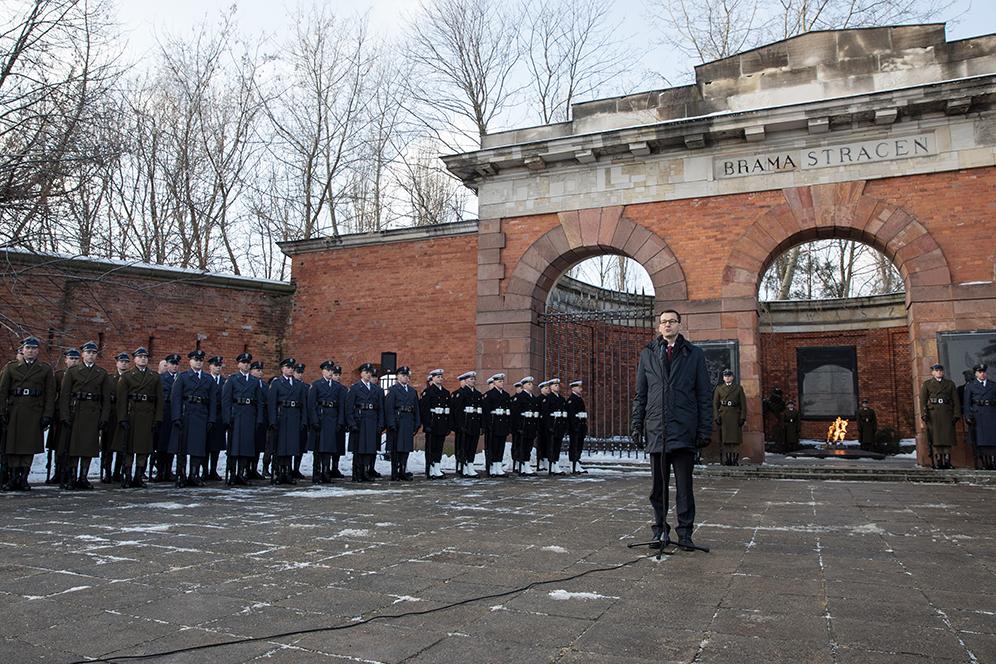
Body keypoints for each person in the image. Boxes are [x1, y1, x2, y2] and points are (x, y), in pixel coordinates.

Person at [631, 310, 712, 552]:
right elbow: (640, 394)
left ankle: (685, 533)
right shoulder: (648, 354)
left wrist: (704, 429)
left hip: (684, 429)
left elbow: (704, 395)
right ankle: (659, 531)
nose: (667, 325)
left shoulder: (694, 354)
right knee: (658, 488)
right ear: (659, 326)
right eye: (663, 322)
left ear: (679, 325)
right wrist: (637, 424)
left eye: (672, 321)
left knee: (685, 488)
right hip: (657, 430)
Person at [0, 337, 56, 491]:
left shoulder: (44, 369)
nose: (30, 351)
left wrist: (47, 414)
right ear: (22, 350)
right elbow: (2, 391)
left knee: (28, 446)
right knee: (13, 445)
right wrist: (1, 412)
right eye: (28, 348)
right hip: (15, 411)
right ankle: (12, 478)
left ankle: (24, 478)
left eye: (33, 348)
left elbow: (49, 395)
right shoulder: (11, 368)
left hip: (34, 412)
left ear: (38, 351)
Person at [60, 341, 112, 490]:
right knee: (74, 448)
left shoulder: (101, 373)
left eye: (93, 353)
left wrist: (104, 417)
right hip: (76, 412)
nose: (90, 355)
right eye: (88, 353)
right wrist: (65, 415)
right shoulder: (73, 371)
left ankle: (83, 477)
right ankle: (72, 477)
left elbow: (106, 399)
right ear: (82, 354)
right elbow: (65, 395)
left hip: (93, 413)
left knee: (88, 448)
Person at [115, 347, 163, 488]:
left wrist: (157, 418)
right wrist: (122, 418)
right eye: (140, 356)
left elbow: (159, 400)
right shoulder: (127, 376)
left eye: (145, 357)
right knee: (129, 449)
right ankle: (128, 476)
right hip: (132, 415)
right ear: (135, 359)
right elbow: (121, 400)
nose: (143, 359)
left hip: (147, 416)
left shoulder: (154, 377)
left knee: (143, 449)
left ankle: (138, 476)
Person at [170, 349, 217, 487]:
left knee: (198, 447)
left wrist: (211, 419)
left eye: (200, 360)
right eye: (196, 360)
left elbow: (213, 401)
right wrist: (176, 417)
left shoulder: (208, 379)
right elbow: (176, 398)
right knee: (182, 448)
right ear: (190, 361)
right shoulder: (183, 377)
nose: (198, 362)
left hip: (201, 414)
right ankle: (181, 475)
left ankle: (194, 474)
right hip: (186, 413)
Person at [221, 352, 265, 485]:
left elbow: (259, 402)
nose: (246, 365)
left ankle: (242, 473)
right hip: (236, 415)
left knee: (246, 446)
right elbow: (226, 400)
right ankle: (233, 474)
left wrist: (259, 419)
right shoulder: (232, 379)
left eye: (248, 363)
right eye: (243, 363)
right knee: (234, 447)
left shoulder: (255, 381)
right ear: (239, 364)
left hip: (249, 415)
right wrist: (226, 418)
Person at [268, 357, 309, 484]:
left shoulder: (299, 384)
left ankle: (288, 473)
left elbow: (303, 404)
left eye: (292, 368)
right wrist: (273, 420)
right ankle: (279, 473)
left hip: (294, 416)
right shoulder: (276, 383)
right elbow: (272, 403)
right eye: (288, 367)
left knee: (291, 447)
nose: (290, 370)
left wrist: (303, 420)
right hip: (282, 416)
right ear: (282, 369)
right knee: (280, 447)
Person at [308, 359, 346, 483]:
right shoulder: (317, 385)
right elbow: (312, 405)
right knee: (318, 448)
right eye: (328, 370)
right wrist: (314, 420)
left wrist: (340, 421)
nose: (330, 373)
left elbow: (341, 405)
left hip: (332, 418)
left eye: (332, 370)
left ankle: (326, 472)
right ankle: (316, 473)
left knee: (329, 448)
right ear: (323, 371)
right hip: (321, 417)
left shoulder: (337, 387)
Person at [345, 363, 384, 482]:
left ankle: (366, 472)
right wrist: (352, 424)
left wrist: (380, 424)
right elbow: (349, 408)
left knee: (369, 449)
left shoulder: (377, 389)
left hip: (372, 420)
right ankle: (357, 473)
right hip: (359, 421)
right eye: (365, 372)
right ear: (361, 374)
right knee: (359, 449)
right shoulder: (355, 388)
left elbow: (381, 408)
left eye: (369, 372)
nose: (368, 375)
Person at [48, 348, 80, 485]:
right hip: (59, 414)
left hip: (75, 413)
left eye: (75, 359)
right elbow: (52, 395)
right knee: (58, 445)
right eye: (71, 358)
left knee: (72, 444)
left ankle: (69, 471)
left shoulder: (80, 374)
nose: (73, 361)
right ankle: (58, 470)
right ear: (65, 360)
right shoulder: (59, 375)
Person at [920, 363, 960, 469]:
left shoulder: (950, 384)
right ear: (932, 372)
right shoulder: (927, 384)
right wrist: (924, 414)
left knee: (947, 439)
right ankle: (938, 460)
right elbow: (923, 401)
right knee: (936, 439)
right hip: (934, 414)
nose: (939, 372)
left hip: (946, 413)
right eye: (936, 371)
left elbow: (955, 400)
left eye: (940, 371)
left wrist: (956, 414)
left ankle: (947, 460)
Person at [384, 365, 420, 481]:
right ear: (398, 376)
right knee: (396, 448)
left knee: (405, 448)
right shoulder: (393, 390)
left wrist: (417, 423)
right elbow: (389, 408)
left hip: (408, 421)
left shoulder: (412, 391)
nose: (406, 378)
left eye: (407, 376)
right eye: (403, 375)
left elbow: (416, 409)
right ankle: (395, 472)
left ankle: (403, 470)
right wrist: (391, 423)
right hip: (397, 421)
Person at [102, 351, 130, 484]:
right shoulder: (109, 378)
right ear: (117, 363)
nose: (123, 364)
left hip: (124, 415)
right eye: (121, 361)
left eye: (126, 362)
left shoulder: (130, 378)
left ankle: (117, 472)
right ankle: (107, 471)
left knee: (121, 445)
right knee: (108, 446)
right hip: (111, 415)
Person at [450, 370, 483, 477]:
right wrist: (460, 425)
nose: (473, 381)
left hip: (475, 424)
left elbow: (480, 411)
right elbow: (458, 411)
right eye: (470, 379)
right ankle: (463, 467)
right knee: (464, 446)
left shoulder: (477, 394)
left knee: (472, 446)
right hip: (465, 424)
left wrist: (481, 425)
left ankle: (470, 466)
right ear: (465, 381)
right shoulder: (461, 393)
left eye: (474, 379)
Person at [964, 363, 995, 470]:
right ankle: (983, 462)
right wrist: (968, 415)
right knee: (980, 440)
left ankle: (993, 461)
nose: (982, 374)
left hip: (991, 413)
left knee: (992, 439)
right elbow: (967, 403)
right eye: (980, 372)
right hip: (978, 415)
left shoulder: (993, 385)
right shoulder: (971, 386)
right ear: (976, 374)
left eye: (983, 372)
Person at [155, 354, 181, 482]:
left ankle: (169, 470)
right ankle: (160, 472)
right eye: (172, 364)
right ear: (167, 365)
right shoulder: (161, 378)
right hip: (164, 414)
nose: (174, 366)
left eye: (176, 364)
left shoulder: (181, 378)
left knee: (172, 445)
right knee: (161, 444)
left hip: (175, 414)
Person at [420, 369, 450, 479]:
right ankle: (430, 469)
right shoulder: (428, 392)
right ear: (432, 378)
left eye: (441, 377)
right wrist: (426, 424)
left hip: (442, 422)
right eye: (438, 377)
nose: (440, 379)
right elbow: (424, 410)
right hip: (432, 423)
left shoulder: (446, 393)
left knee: (439, 447)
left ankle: (437, 467)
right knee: (431, 447)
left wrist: (448, 425)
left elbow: (448, 410)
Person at [713, 369, 746, 466]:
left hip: (735, 415)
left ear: (732, 377)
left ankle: (735, 458)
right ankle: (727, 458)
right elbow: (715, 404)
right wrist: (716, 417)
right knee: (725, 439)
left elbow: (743, 405)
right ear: (723, 378)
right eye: (725, 376)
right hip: (724, 416)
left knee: (735, 440)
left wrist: (742, 417)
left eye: (729, 376)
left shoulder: (738, 388)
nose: (727, 377)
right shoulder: (719, 388)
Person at [481, 373, 512, 477]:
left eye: (502, 381)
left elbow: (508, 412)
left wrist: (508, 425)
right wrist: (487, 425)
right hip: (493, 424)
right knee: (493, 446)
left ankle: (499, 466)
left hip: (502, 424)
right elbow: (486, 412)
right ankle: (493, 467)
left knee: (501, 446)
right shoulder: (489, 395)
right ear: (494, 382)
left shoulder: (506, 395)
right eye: (499, 381)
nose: (501, 383)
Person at [205, 356, 227, 481]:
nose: (217, 367)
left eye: (219, 365)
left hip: (219, 416)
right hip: (206, 415)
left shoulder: (224, 382)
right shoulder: (206, 380)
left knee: (216, 446)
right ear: (210, 367)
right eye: (215, 365)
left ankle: (213, 470)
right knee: (205, 445)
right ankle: (204, 470)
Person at [511, 376, 538, 476]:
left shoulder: (533, 398)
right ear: (524, 386)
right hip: (523, 426)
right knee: (521, 446)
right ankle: (521, 466)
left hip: (531, 426)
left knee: (528, 447)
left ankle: (526, 465)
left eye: (531, 384)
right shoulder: (520, 397)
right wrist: (518, 427)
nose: (531, 386)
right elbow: (516, 414)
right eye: (529, 384)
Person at [542, 378, 568, 474]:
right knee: (551, 446)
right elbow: (545, 414)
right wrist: (549, 426)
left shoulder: (561, 398)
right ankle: (551, 465)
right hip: (552, 425)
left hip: (559, 426)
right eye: (555, 385)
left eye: (558, 385)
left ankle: (556, 463)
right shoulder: (548, 398)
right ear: (551, 387)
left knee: (557, 446)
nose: (557, 386)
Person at [565, 380, 588, 474]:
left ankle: (577, 461)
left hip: (581, 426)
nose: (581, 389)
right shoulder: (571, 400)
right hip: (575, 427)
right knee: (574, 446)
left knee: (579, 446)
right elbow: (571, 415)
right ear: (573, 388)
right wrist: (575, 426)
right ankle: (572, 464)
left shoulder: (579, 399)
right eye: (579, 387)